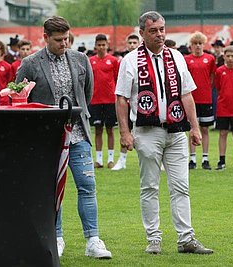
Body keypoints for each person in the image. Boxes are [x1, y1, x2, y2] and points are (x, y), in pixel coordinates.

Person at [115, 11, 213, 255]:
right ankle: (154, 238)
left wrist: (194, 127)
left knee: (181, 186)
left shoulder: (177, 57)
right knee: (149, 186)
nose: (159, 34)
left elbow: (186, 93)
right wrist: (125, 132)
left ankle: (186, 238)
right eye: (153, 31)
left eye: (161, 29)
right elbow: (122, 98)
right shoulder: (130, 60)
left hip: (177, 130)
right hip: (147, 131)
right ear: (142, 33)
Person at [16, 15, 112, 259]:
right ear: (45, 37)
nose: (64, 44)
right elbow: (19, 99)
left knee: (87, 186)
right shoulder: (30, 63)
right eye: (59, 40)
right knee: (51, 190)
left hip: (78, 135)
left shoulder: (81, 60)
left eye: (67, 39)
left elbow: (85, 94)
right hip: (46, 140)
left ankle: (93, 240)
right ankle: (56, 238)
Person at [184, 31, 216, 170]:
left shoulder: (210, 59)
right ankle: (192, 159)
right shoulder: (186, 59)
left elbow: (212, 77)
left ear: (204, 44)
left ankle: (205, 158)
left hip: (205, 99)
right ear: (191, 45)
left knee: (204, 129)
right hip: (191, 100)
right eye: (195, 44)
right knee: (192, 129)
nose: (197, 46)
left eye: (200, 43)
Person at [89, 34, 119, 168]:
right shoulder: (90, 61)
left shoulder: (113, 61)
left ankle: (110, 159)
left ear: (107, 45)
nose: (101, 47)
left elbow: (117, 79)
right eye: (99, 45)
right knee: (98, 130)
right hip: (95, 101)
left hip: (110, 101)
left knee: (110, 130)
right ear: (95, 46)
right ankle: (99, 159)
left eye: (103, 45)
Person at [112, 34, 141, 171]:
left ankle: (161, 162)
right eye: (130, 42)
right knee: (125, 129)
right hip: (126, 102)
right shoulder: (123, 61)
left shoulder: (143, 60)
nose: (132, 45)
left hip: (140, 103)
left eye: (135, 42)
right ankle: (122, 160)